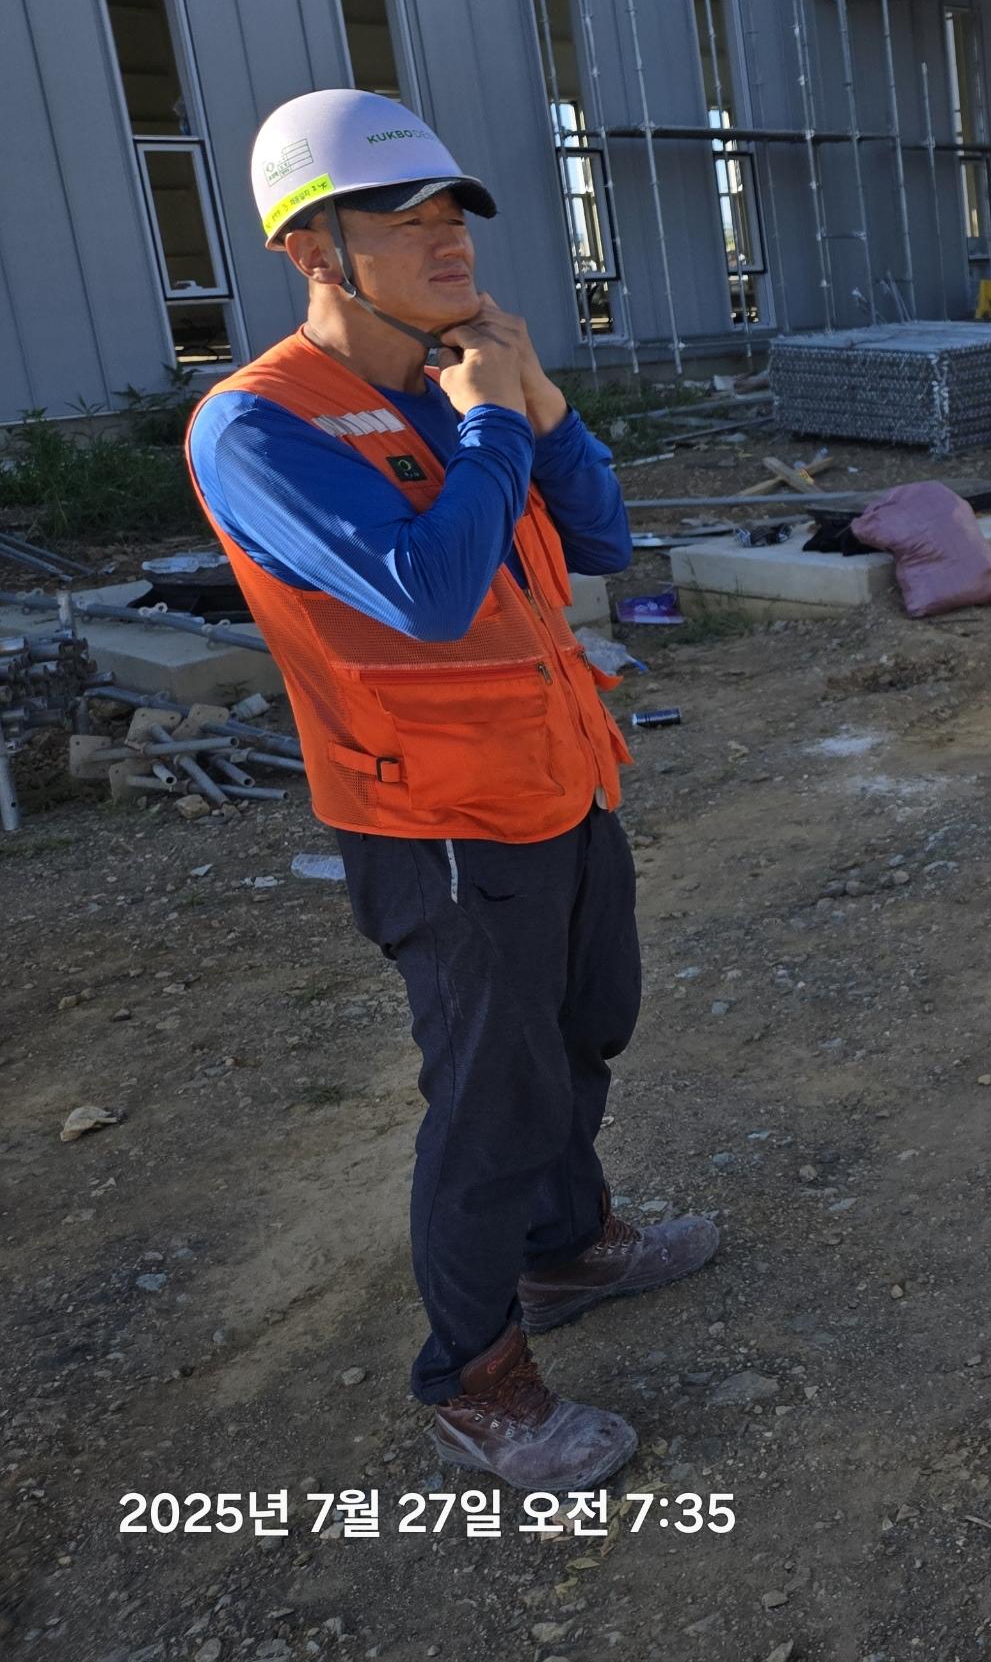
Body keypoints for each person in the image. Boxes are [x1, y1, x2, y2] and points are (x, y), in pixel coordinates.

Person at [186, 90, 718, 1491]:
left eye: (452, 217)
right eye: (402, 221)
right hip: (436, 822)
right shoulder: (259, 428)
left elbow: (600, 538)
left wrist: (541, 405)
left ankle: (564, 1248)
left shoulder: (454, 386)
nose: (449, 244)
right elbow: (425, 592)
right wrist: (489, 428)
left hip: (559, 783)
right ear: (313, 251)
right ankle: (473, 1376)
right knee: (493, 1098)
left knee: (587, 1031)